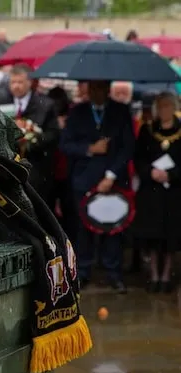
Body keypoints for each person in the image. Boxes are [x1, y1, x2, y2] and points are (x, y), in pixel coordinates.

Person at [60, 80, 135, 294]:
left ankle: (114, 273)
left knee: (113, 227)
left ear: (108, 90)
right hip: (84, 179)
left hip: (113, 179)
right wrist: (90, 148)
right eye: (92, 89)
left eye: (101, 89)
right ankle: (83, 271)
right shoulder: (78, 112)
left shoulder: (120, 112)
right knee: (83, 229)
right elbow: (65, 144)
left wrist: (111, 175)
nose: (96, 93)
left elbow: (128, 146)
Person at [133, 92, 181, 293]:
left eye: (168, 106)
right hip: (151, 190)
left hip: (174, 191)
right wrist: (150, 172)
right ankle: (153, 274)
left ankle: (166, 274)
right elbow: (138, 158)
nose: (165, 110)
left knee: (170, 234)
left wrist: (171, 175)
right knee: (153, 233)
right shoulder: (147, 129)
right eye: (161, 107)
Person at [2, 64, 60, 207]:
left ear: (29, 82)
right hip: (8, 166)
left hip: (36, 167)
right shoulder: (2, 102)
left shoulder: (45, 105)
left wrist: (31, 137)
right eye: (13, 82)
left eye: (20, 82)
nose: (16, 86)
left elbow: (53, 134)